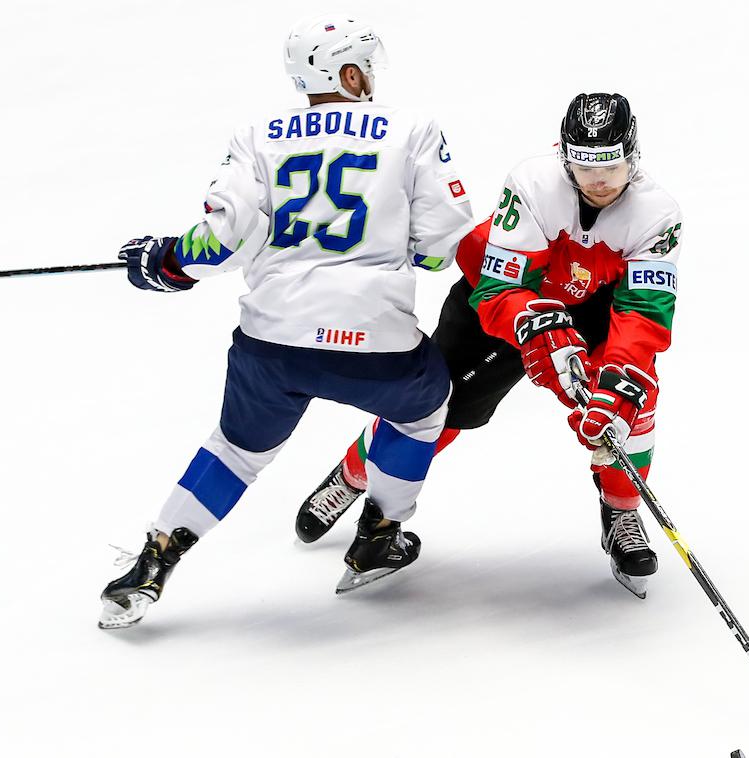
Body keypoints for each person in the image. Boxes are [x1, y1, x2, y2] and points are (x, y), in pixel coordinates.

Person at [98, 16, 475, 629]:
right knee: (424, 411)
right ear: (349, 74)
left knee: (235, 453)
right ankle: (379, 532)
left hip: (272, 342)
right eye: (367, 68)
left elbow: (222, 240)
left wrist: (170, 259)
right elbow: (441, 244)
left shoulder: (256, 134)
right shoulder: (411, 129)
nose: (372, 79)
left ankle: (153, 560)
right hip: (376, 343)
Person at [294, 93, 683, 599]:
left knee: (631, 400)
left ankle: (622, 510)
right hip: (509, 296)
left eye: (611, 165)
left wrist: (617, 382)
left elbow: (642, 313)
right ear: (564, 157)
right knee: (434, 404)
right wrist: (532, 324)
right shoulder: (533, 183)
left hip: (591, 306)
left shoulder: (657, 214)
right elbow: (500, 287)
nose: (600, 181)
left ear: (633, 155)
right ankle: (353, 473)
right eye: (585, 167)